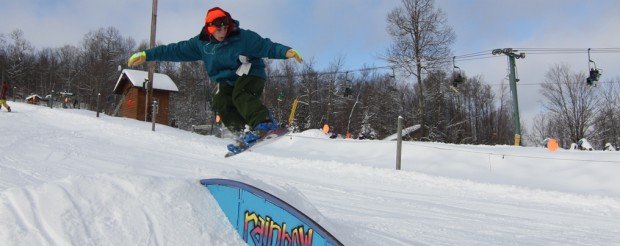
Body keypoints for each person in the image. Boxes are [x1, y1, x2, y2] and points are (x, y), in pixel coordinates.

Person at [127, 7, 302, 145]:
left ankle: (264, 122)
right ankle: (243, 131)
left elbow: (266, 46)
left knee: (241, 95)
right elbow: (174, 50)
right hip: (227, 80)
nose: (223, 32)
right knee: (220, 102)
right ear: (209, 28)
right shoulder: (200, 44)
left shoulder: (242, 37)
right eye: (218, 29)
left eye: (225, 28)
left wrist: (287, 51)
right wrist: (146, 55)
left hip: (252, 73)